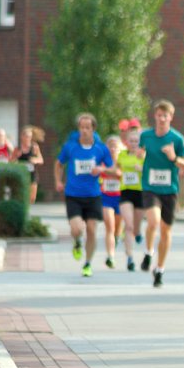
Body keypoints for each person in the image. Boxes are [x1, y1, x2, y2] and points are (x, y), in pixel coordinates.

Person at [140, 100, 184, 288]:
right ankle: (148, 252)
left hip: (169, 189)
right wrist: (140, 155)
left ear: (171, 117)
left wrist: (173, 158)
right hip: (150, 186)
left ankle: (160, 269)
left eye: (165, 115)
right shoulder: (145, 136)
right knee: (153, 221)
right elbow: (139, 151)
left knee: (165, 230)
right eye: (159, 115)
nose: (162, 119)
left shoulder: (177, 139)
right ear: (155, 116)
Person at [55, 113, 113, 278]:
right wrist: (58, 181)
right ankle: (77, 241)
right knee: (77, 228)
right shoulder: (71, 147)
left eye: (88, 127)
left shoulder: (101, 149)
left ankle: (87, 263)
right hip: (73, 194)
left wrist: (102, 169)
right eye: (82, 127)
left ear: (93, 129)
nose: (84, 130)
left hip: (93, 195)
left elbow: (114, 169)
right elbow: (59, 164)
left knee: (92, 229)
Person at [117, 122, 145, 272]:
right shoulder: (121, 155)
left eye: (136, 141)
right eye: (131, 141)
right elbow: (116, 168)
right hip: (126, 191)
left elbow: (150, 172)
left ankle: (138, 232)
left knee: (135, 227)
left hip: (140, 192)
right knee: (128, 225)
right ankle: (129, 257)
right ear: (126, 142)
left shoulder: (143, 156)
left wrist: (142, 168)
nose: (134, 144)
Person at [99, 136, 124, 269]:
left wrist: (106, 171)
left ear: (120, 149)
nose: (113, 149)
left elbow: (120, 173)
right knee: (110, 226)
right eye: (110, 146)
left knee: (117, 228)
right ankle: (110, 256)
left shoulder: (124, 162)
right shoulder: (103, 162)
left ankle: (117, 237)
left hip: (121, 198)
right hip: (106, 198)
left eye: (115, 146)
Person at [12, 126, 45, 203]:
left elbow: (41, 160)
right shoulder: (17, 149)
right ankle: (23, 209)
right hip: (20, 174)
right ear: (22, 137)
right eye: (26, 136)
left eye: (30, 137)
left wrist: (35, 160)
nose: (28, 139)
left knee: (32, 198)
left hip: (32, 174)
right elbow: (10, 162)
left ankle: (27, 207)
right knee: (21, 196)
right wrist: (16, 158)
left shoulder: (34, 147)